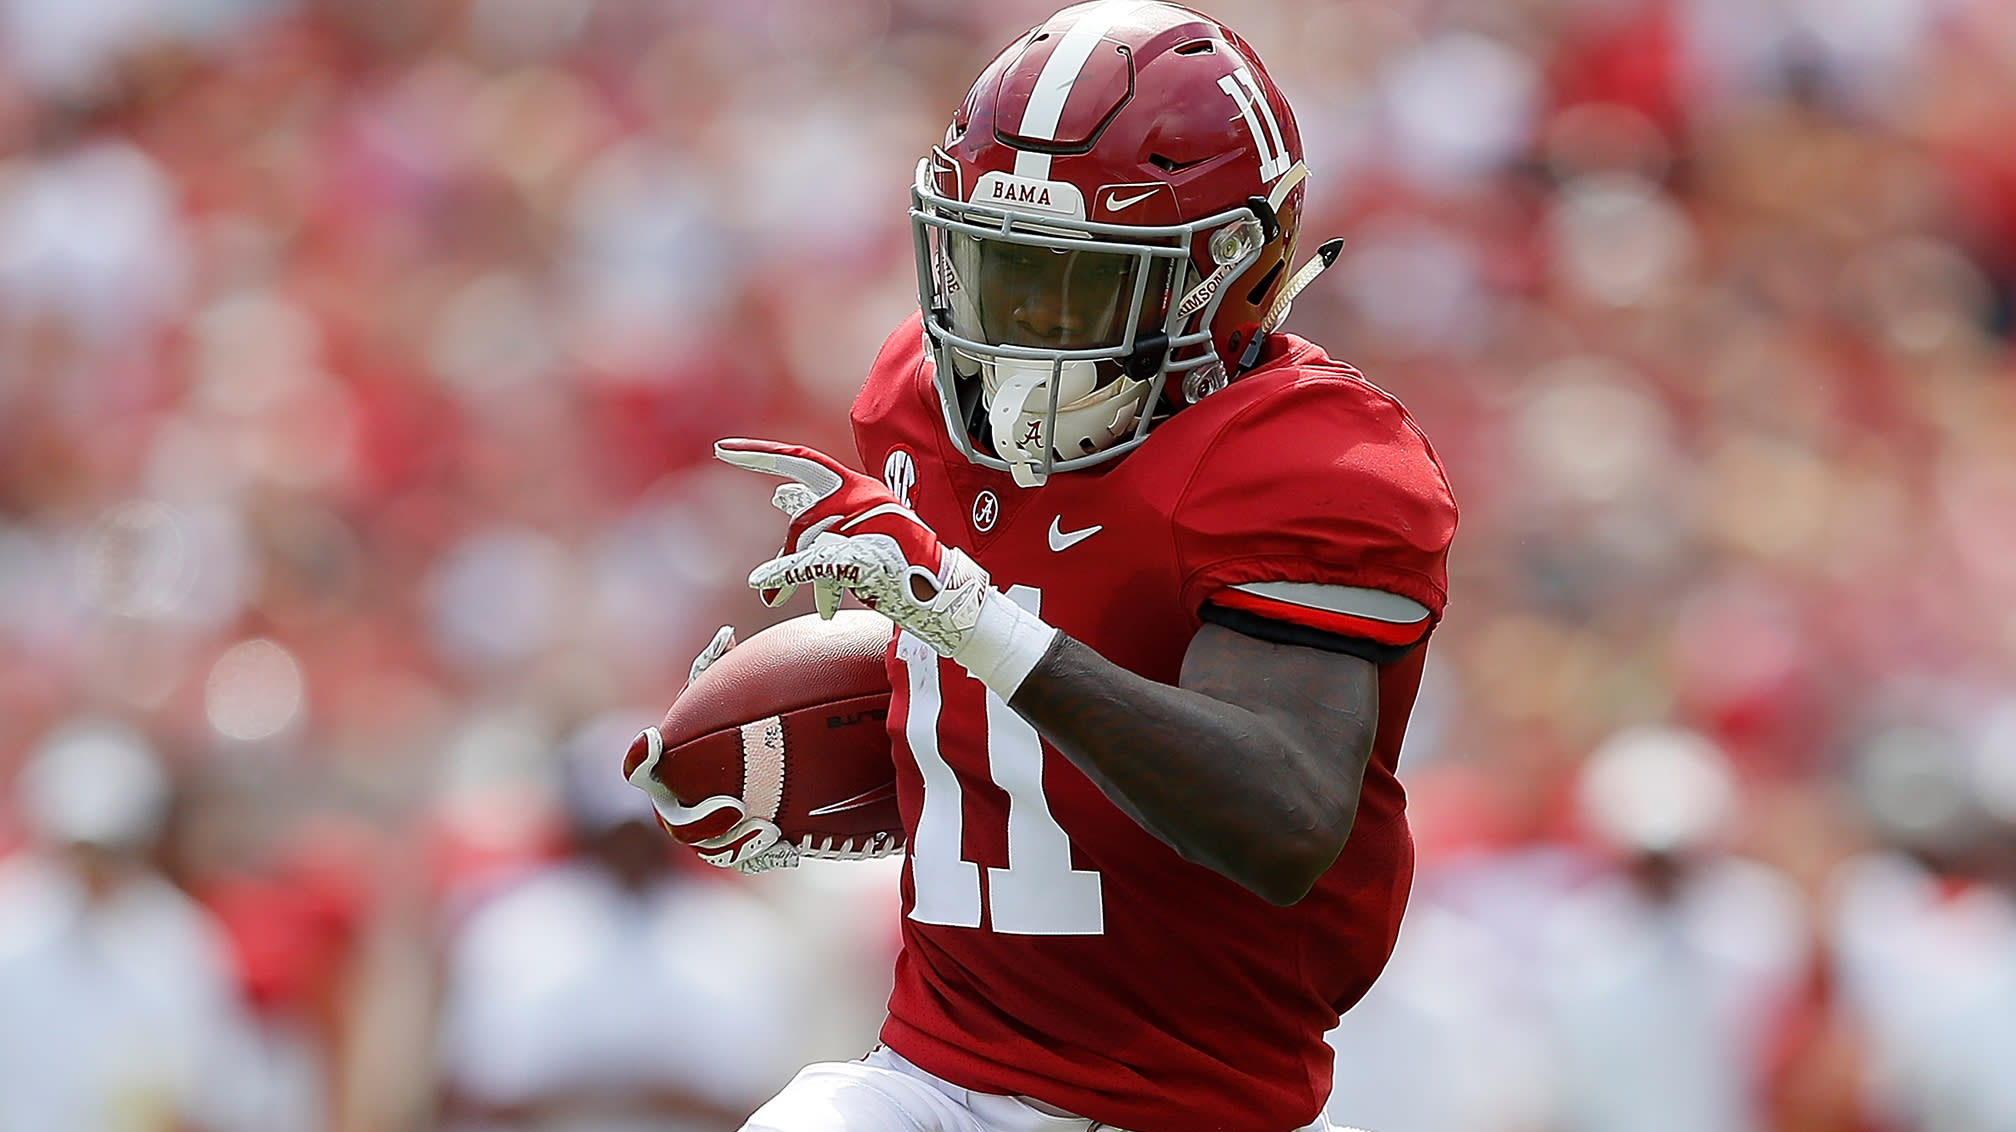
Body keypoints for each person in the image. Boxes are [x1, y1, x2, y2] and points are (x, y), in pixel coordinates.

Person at [625, 3, 1457, 1130]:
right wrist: (799, 754)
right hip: (929, 1077)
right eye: (997, 265)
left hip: (1194, 1105)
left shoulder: (1310, 460)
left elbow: (1282, 818)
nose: (1016, 325)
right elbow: (995, 690)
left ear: (1231, 274)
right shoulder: (918, 403)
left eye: (1073, 282)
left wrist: (967, 619)